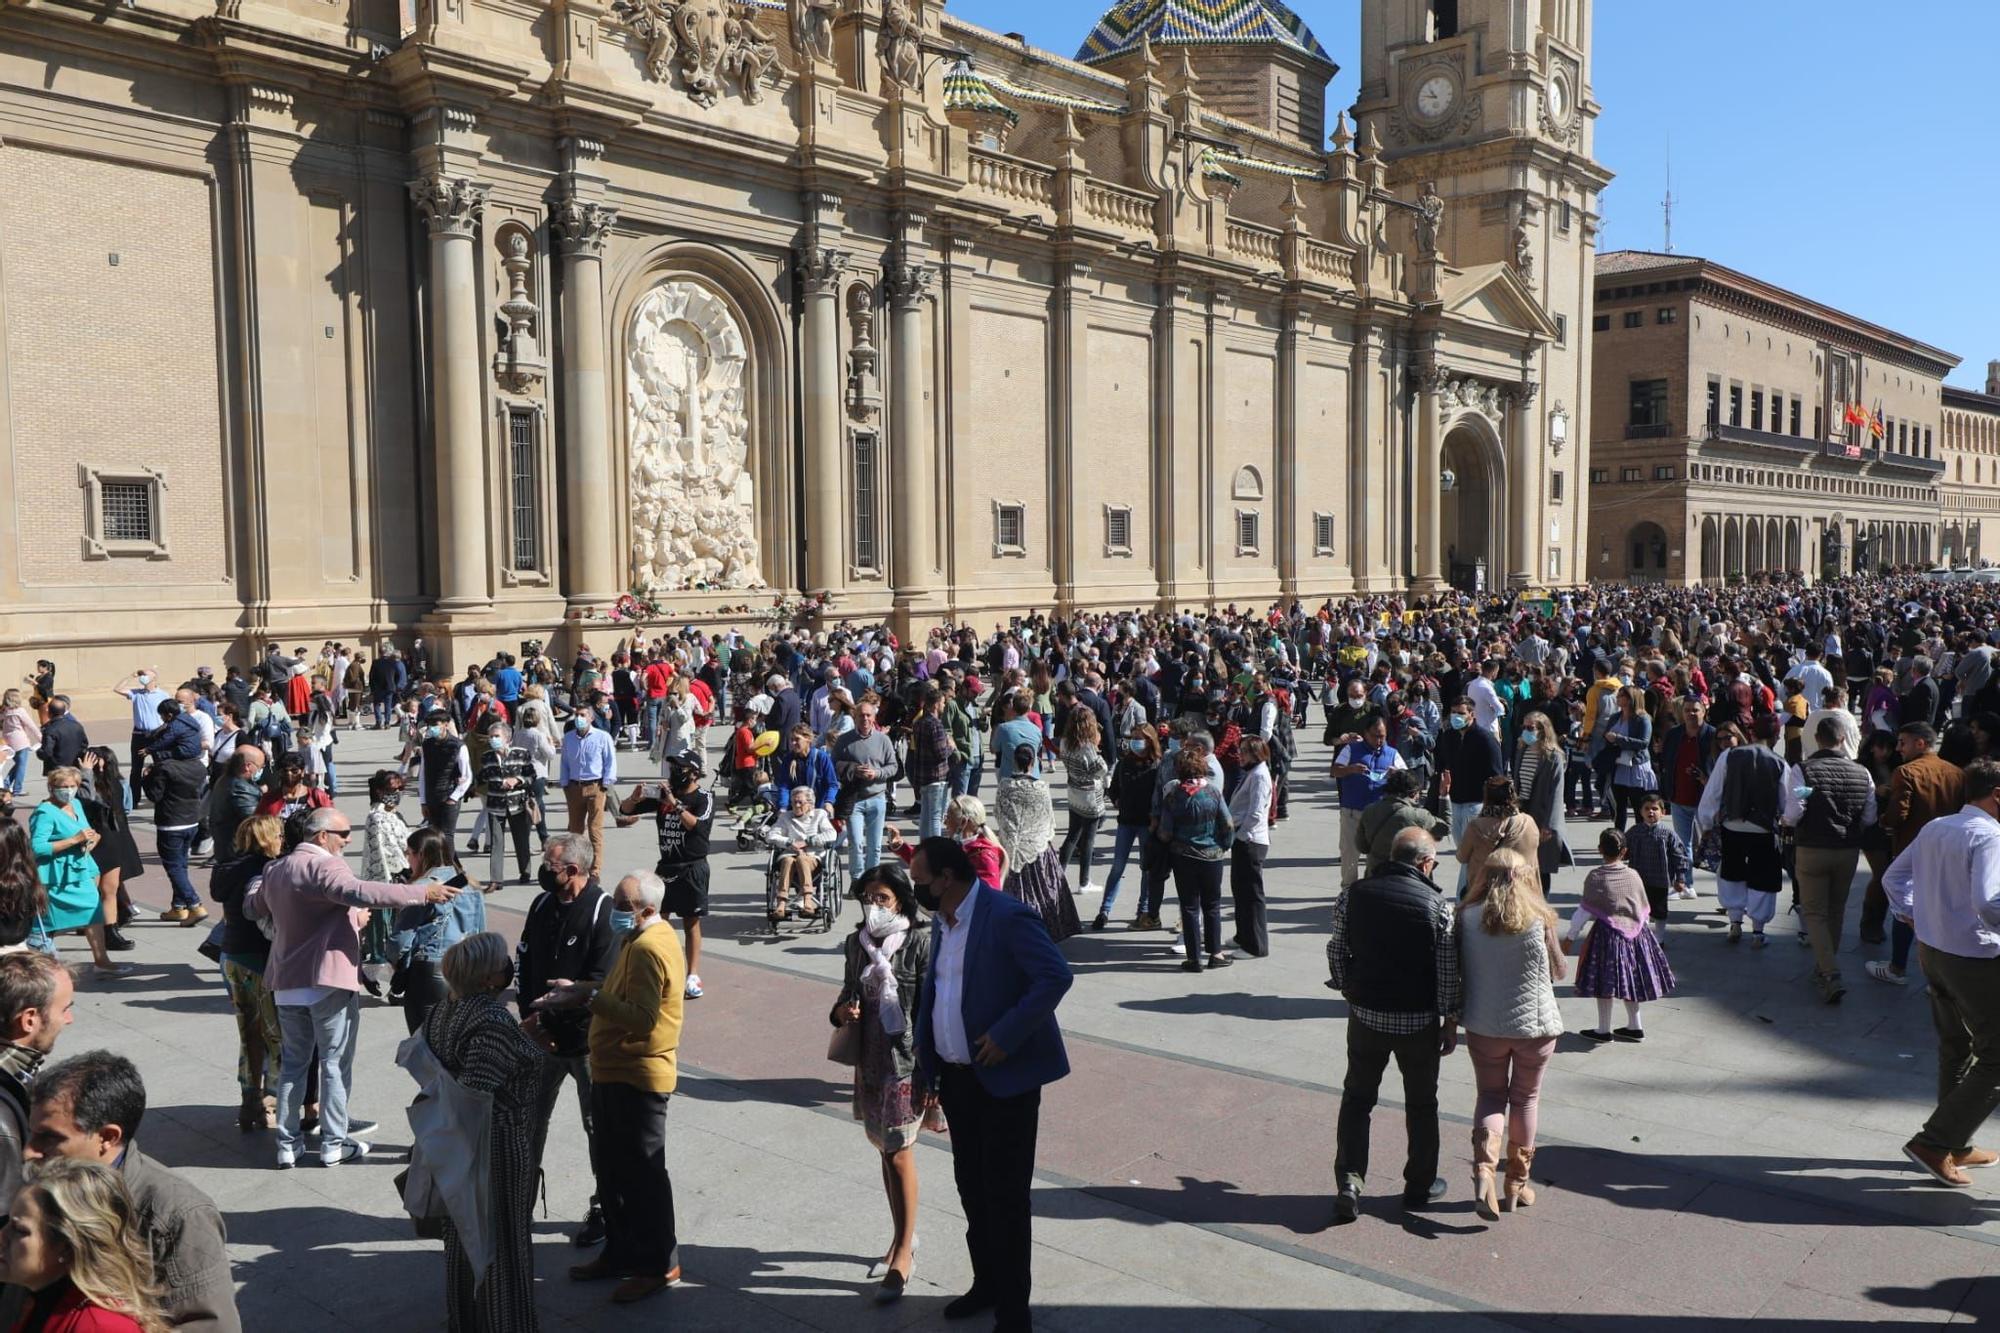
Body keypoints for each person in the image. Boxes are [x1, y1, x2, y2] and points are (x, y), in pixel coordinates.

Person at [909, 836, 1073, 1333]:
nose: (917, 890)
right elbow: (937, 993)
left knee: (1005, 1198)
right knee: (972, 1191)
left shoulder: (1005, 915)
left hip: (1006, 1084)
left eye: (921, 881)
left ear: (947, 878)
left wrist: (1006, 1034)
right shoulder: (943, 921)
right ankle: (987, 1284)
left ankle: (1013, 1314)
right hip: (959, 1081)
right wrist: (928, 1068)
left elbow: (1054, 976)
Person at [259, 807, 453, 1169]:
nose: (349, 839)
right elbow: (360, 891)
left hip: (286, 983)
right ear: (321, 836)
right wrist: (422, 894)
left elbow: (255, 903)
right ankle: (334, 1142)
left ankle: (287, 1144)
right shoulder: (326, 865)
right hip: (327, 980)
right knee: (333, 1063)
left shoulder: (276, 869)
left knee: (293, 1066)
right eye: (344, 833)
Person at [23, 1051, 239, 1331]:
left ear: (107, 1138)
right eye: (31, 1134)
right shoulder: (39, 1185)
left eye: (49, 1137)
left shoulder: (176, 1214)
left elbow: (210, 1325)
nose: (29, 1151)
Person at [550, 871, 687, 1306]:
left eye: (623, 906)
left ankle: (658, 1265)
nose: (614, 913)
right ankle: (621, 1251)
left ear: (646, 910)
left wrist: (589, 1000)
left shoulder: (649, 947)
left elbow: (644, 1019)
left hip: (637, 1076)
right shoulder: (640, 937)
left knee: (642, 1175)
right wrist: (584, 989)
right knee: (612, 1169)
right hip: (615, 1071)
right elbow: (617, 992)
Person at [418, 933, 546, 1332]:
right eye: (502, 962)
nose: (509, 966)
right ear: (489, 977)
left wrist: (519, 1040)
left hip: (458, 1143)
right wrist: (530, 1046)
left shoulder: (441, 1011)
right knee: (503, 1241)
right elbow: (477, 1092)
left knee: (460, 1236)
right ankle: (506, 1321)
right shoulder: (490, 1020)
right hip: (495, 1145)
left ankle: (465, 1318)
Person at [1881, 758, 2000, 1187]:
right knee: (1995, 1057)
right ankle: (1936, 1141)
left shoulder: (1937, 827)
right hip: (1975, 960)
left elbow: (1894, 879)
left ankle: (1955, 1143)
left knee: (1956, 1045)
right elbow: (1989, 904)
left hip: (1934, 953)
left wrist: (1917, 917)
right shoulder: (1989, 836)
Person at [1327, 828, 1457, 1220]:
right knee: (1421, 1104)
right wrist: (1449, 1017)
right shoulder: (1436, 904)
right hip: (1417, 1021)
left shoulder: (1354, 894)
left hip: (1366, 1015)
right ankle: (1419, 1185)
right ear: (1422, 863)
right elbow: (1447, 967)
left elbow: (1336, 948)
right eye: (1433, 862)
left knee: (1357, 1098)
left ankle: (1350, 1180)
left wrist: (1347, 986)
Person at [830, 863, 937, 1302]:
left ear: (901, 900)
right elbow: (842, 997)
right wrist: (843, 1013)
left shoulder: (920, 942)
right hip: (870, 1060)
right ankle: (901, 1237)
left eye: (883, 898)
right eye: (868, 898)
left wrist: (935, 1074)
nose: (874, 907)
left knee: (898, 1153)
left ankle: (904, 1251)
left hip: (906, 1064)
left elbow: (932, 1012)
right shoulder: (857, 945)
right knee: (885, 1148)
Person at [1451, 848, 1564, 1221]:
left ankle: (1484, 1172)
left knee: (1490, 1096)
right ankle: (1516, 1183)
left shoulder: (1465, 917)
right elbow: (1559, 971)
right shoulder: (1539, 917)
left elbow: (1457, 969)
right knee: (1526, 1099)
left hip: (1485, 1026)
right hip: (1536, 1027)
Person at [516, 835, 616, 1250]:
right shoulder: (541, 906)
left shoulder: (602, 910)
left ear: (573, 871)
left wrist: (554, 1019)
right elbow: (523, 961)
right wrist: (533, 1020)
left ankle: (605, 1206)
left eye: (550, 865)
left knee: (599, 1127)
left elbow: (600, 982)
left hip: (587, 1042)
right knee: (528, 1120)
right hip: (541, 1037)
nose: (544, 870)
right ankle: (518, 1201)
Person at [0, 1156, 166, 1333]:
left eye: (19, 1230)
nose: (2, 1236)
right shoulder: (42, 1301)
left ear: (68, 1246)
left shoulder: (100, 1326)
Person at [1783, 716, 1876, 1004]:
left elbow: (1795, 810)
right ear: (1842, 739)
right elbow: (1870, 816)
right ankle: (1824, 967)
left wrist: (1785, 821)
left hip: (1812, 848)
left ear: (1818, 739)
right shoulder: (1863, 773)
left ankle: (1830, 972)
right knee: (1835, 911)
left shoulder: (1805, 772)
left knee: (1814, 912)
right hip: (1847, 851)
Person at [1867, 722, 1965, 984]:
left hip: (1913, 848)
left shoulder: (1907, 771)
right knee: (1940, 907)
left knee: (1904, 905)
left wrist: (1884, 821)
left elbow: (1899, 814)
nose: (1898, 748)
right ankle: (1942, 974)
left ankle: (1897, 967)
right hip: (1948, 851)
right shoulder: (1956, 772)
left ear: (1920, 743)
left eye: (1903, 742)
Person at [613, 753, 713, 1001]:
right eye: (672, 766)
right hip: (666, 867)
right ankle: (660, 969)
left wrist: (675, 803)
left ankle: (692, 975)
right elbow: (624, 811)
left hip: (692, 867)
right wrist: (634, 798)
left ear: (693, 771)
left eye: (679, 767)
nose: (673, 771)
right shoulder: (663, 795)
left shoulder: (703, 798)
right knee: (656, 921)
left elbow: (698, 826)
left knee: (691, 922)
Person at [210, 816, 284, 1133]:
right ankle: (270, 1101)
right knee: (274, 1034)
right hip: (259, 958)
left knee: (249, 1034)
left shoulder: (225, 866)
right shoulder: (268, 869)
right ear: (267, 838)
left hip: (231, 956)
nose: (282, 839)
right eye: (278, 834)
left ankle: (249, 1099)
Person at [1568, 829, 1677, 1042]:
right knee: (1632, 980)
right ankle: (1635, 1026)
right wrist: (1643, 931)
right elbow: (1643, 908)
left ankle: (1603, 1029)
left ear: (1599, 850)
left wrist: (1570, 936)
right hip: (1637, 935)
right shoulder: (1633, 874)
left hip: (1607, 936)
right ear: (1625, 851)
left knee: (1603, 982)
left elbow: (1584, 911)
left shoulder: (1596, 876)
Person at [1697, 715, 1787, 946]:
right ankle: (1758, 930)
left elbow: (1713, 792)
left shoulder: (1729, 756)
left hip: (1731, 824)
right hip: (1763, 828)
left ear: (1752, 733)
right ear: (1776, 736)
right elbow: (1787, 802)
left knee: (1732, 871)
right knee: (1763, 877)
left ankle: (1735, 922)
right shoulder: (1779, 762)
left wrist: (1706, 823)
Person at [391, 828, 488, 1035]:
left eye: (409, 853)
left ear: (421, 855)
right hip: (464, 968)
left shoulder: (422, 888)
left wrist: (395, 961)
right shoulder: (470, 884)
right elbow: (480, 931)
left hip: (430, 970)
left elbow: (401, 939)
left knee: (424, 1043)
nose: (408, 859)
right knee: (454, 1039)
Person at [0, 953, 75, 1206]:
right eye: (64, 1009)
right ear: (29, 1019)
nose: (69, 1020)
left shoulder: (17, 1072)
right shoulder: (2, 1121)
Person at [28, 773, 120, 976]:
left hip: (80, 869)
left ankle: (101, 961)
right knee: (47, 923)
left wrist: (92, 838)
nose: (68, 790)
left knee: (93, 911)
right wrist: (73, 840)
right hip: (56, 876)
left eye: (72, 786)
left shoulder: (76, 805)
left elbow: (86, 829)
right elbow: (36, 847)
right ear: (51, 787)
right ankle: (38, 963)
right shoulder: (44, 812)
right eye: (63, 786)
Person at [993, 744, 1080, 946]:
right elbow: (1048, 819)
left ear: (1015, 761)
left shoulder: (1005, 786)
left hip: (1011, 848)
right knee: (1045, 895)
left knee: (1011, 896)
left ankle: (1015, 935)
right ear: (1033, 762)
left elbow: (1000, 814)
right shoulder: (1041, 788)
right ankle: (1043, 934)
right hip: (1038, 848)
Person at [1159, 744, 1235, 971]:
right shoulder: (1213, 792)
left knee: (1189, 907)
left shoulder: (1174, 795)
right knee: (1212, 905)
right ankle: (1215, 954)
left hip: (1183, 857)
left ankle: (1194, 958)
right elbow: (1228, 824)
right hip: (1212, 857)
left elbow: (1165, 831)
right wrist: (1224, 845)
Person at [74, 753, 139, 956]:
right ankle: (95, 929)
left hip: (108, 841)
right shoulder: (79, 786)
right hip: (92, 843)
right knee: (93, 893)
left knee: (109, 890)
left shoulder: (113, 784)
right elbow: (87, 799)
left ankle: (111, 931)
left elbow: (100, 801)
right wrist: (86, 773)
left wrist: (91, 772)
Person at [1098, 724, 1161, 931]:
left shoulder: (1156, 765)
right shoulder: (1125, 763)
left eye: (1139, 738)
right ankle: (1104, 910)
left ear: (1149, 741)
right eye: (1133, 737)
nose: (1135, 742)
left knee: (1146, 868)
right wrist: (1117, 801)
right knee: (1117, 866)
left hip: (1146, 824)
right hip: (1126, 822)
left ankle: (1142, 910)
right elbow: (1113, 789)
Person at [1330, 714, 1404, 888]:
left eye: (1382, 736)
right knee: (1349, 854)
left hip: (1380, 815)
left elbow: (1408, 779)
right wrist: (1350, 769)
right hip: (1352, 812)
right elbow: (1335, 770)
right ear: (1366, 733)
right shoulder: (1351, 749)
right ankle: (1348, 890)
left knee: (1379, 855)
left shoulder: (1392, 753)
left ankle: (1374, 889)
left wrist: (1397, 774)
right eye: (1375, 736)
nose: (1379, 740)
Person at [833, 694, 900, 884]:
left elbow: (893, 767)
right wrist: (853, 770)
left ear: (874, 718)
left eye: (869, 716)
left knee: (875, 845)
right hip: (854, 799)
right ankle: (856, 880)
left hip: (877, 798)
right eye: (861, 715)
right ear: (855, 717)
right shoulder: (844, 740)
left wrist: (877, 773)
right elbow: (834, 765)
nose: (865, 719)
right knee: (856, 842)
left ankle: (873, 881)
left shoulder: (883, 740)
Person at [141, 745, 207, 929]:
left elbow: (155, 795)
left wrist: (146, 778)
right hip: (192, 820)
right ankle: (178, 907)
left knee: (174, 867)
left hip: (171, 823)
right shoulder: (198, 766)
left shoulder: (165, 768)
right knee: (181, 864)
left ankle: (195, 904)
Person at [1226, 735, 1274, 957]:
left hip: (1251, 841)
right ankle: (1242, 935)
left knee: (1251, 894)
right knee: (1240, 890)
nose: (1240, 755)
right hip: (1243, 838)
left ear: (1256, 753)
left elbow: (1255, 813)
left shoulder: (1260, 776)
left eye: (1245, 751)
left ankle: (1255, 945)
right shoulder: (1252, 773)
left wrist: (1241, 836)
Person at [1455, 776, 1538, 901]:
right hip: (1523, 894)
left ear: (1486, 797)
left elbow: (1462, 857)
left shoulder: (1476, 826)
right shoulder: (1529, 822)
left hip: (1484, 894)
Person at [763, 786, 836, 923]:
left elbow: (831, 834)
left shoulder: (819, 814)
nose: (796, 805)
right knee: (788, 860)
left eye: (800, 802)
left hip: (813, 857)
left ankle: (808, 900)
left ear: (810, 803)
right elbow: (771, 836)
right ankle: (781, 904)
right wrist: (790, 842)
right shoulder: (786, 817)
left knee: (802, 858)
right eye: (794, 802)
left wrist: (808, 842)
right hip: (790, 854)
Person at [1359, 768, 1448, 879]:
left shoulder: (1369, 810)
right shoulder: (1418, 815)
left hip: (1375, 875)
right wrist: (1444, 796)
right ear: (1413, 793)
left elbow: (1362, 847)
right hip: (1409, 879)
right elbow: (1445, 828)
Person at [475, 724, 537, 886]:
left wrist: (517, 780)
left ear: (507, 738)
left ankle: (525, 871)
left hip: (518, 805)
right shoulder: (487, 757)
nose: (493, 740)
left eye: (497, 736)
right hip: (495, 805)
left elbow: (531, 776)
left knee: (521, 840)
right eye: (491, 737)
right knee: (496, 842)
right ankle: (496, 879)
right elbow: (482, 776)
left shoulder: (521, 754)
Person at [1623, 793, 1691, 938]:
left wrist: (1680, 878)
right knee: (1640, 909)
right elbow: (1623, 849)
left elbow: (1679, 856)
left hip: (1660, 880)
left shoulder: (1668, 834)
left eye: (1655, 809)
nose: (1650, 812)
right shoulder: (1634, 832)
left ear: (1663, 812)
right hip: (1638, 880)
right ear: (1641, 812)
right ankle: (1644, 937)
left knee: (1660, 911)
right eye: (1646, 809)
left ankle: (1659, 938)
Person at [1054, 709, 1106, 894]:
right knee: (1088, 840)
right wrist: (1097, 747)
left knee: (1072, 835)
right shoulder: (1088, 747)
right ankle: (1084, 882)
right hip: (1090, 796)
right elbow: (1101, 769)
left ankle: (1057, 877)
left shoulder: (1065, 742)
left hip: (1073, 792)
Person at [560, 709, 618, 876]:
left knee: (595, 830)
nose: (579, 718)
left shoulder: (602, 737)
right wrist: (565, 784)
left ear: (591, 718)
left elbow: (610, 761)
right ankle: (576, 865)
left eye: (583, 715)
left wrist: (606, 782)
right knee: (575, 831)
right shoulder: (569, 738)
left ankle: (595, 870)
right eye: (577, 714)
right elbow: (564, 762)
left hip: (595, 786)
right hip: (574, 787)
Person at [414, 711, 473, 857]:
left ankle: (450, 873)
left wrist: (453, 798)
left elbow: (467, 776)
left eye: (435, 724)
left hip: (449, 796)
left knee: (447, 836)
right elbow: (423, 774)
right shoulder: (427, 745)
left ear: (445, 725)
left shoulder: (458, 746)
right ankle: (446, 869)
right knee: (434, 836)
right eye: (429, 725)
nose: (431, 728)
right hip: (431, 797)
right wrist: (423, 801)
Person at [909, 684, 957, 843]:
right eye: (943, 703)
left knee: (925, 815)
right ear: (936, 704)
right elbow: (941, 753)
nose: (944, 705)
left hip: (922, 776)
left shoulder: (919, 722)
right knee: (936, 816)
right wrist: (950, 746)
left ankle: (924, 845)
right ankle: (935, 848)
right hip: (936, 776)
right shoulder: (935, 725)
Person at [0, 693, 40, 800]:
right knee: (21, 765)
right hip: (21, 742)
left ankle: (7, 784)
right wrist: (41, 738)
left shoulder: (4, 711)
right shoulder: (20, 711)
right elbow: (31, 725)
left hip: (8, 741)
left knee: (18, 764)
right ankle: (17, 789)